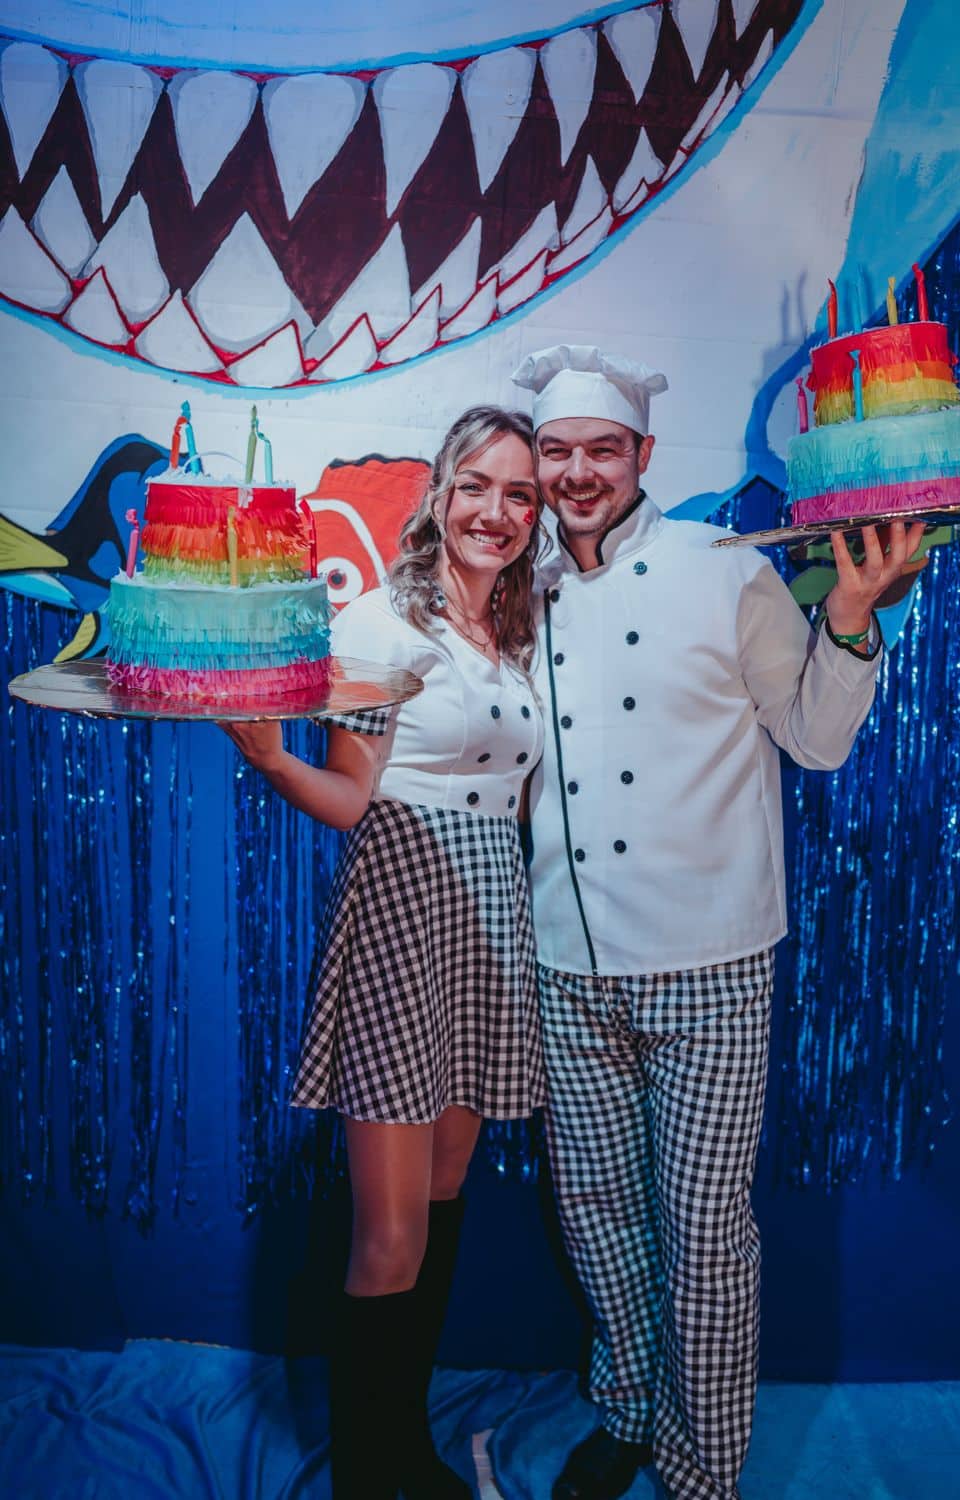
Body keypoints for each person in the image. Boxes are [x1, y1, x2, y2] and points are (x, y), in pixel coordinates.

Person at [511, 345, 926, 1500]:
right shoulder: (513, 589)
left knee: (701, 1234)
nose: (577, 473)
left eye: (601, 450)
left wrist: (848, 619)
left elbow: (814, 738)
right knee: (596, 1213)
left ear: (642, 454)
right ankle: (626, 1409)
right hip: (565, 959)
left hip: (711, 961)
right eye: (556, 451)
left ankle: (702, 1466)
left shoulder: (719, 567)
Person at [225, 405, 547, 1500]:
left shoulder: (516, 631)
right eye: (478, 487)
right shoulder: (376, 623)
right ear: (441, 493)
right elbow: (350, 799)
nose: (496, 512)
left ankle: (404, 1441)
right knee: (390, 1234)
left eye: (518, 494)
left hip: (492, 921)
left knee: (447, 1191)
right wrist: (274, 762)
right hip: (405, 912)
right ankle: (365, 1474)